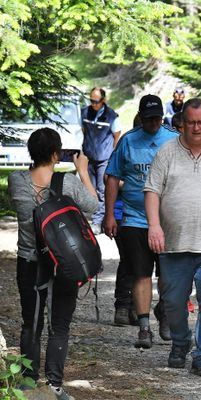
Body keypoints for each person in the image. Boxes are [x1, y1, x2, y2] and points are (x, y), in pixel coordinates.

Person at [9, 128, 98, 400]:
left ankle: (27, 383)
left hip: (30, 261)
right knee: (60, 324)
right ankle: (55, 386)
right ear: (55, 154)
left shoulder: (16, 181)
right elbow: (93, 205)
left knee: (30, 323)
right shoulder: (68, 183)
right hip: (64, 262)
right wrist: (82, 170)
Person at [144, 98, 201, 377]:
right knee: (173, 302)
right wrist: (154, 226)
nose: (196, 127)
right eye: (190, 122)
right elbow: (152, 190)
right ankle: (180, 342)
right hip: (173, 243)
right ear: (182, 123)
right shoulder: (167, 152)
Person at [104, 94, 179, 349]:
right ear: (141, 118)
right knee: (141, 273)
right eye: (148, 119)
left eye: (157, 117)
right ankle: (145, 327)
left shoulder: (173, 140)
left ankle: (166, 314)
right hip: (135, 219)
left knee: (169, 274)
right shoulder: (128, 141)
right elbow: (112, 177)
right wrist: (110, 214)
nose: (153, 123)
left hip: (167, 219)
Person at [81, 87, 121, 234]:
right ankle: (94, 218)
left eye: (96, 102)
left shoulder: (112, 116)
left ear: (103, 101)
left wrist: (113, 157)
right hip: (89, 157)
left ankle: (98, 222)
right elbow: (84, 131)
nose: (93, 104)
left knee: (102, 190)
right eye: (91, 100)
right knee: (89, 190)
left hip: (105, 158)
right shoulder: (85, 112)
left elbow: (117, 135)